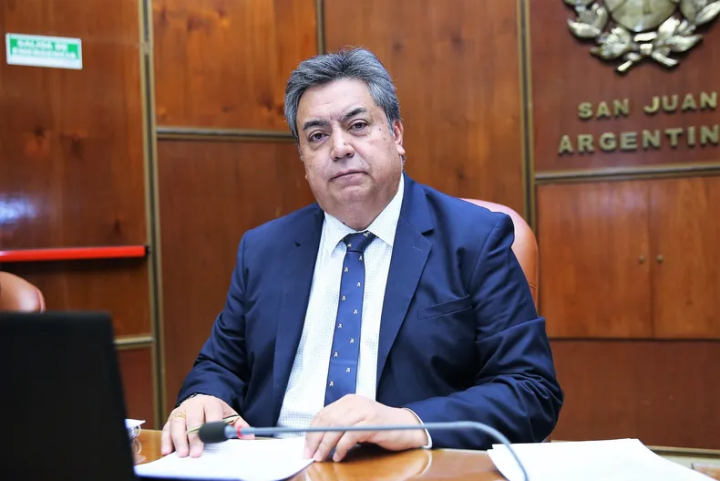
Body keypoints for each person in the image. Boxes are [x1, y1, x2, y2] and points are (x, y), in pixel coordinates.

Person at [161, 47, 563, 462]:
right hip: (274, 465)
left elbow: (531, 391)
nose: (340, 148)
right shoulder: (264, 249)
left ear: (397, 135)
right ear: (303, 159)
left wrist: (409, 422)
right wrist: (201, 396)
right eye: (317, 136)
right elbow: (219, 365)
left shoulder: (474, 239)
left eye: (357, 125)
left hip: (405, 467)